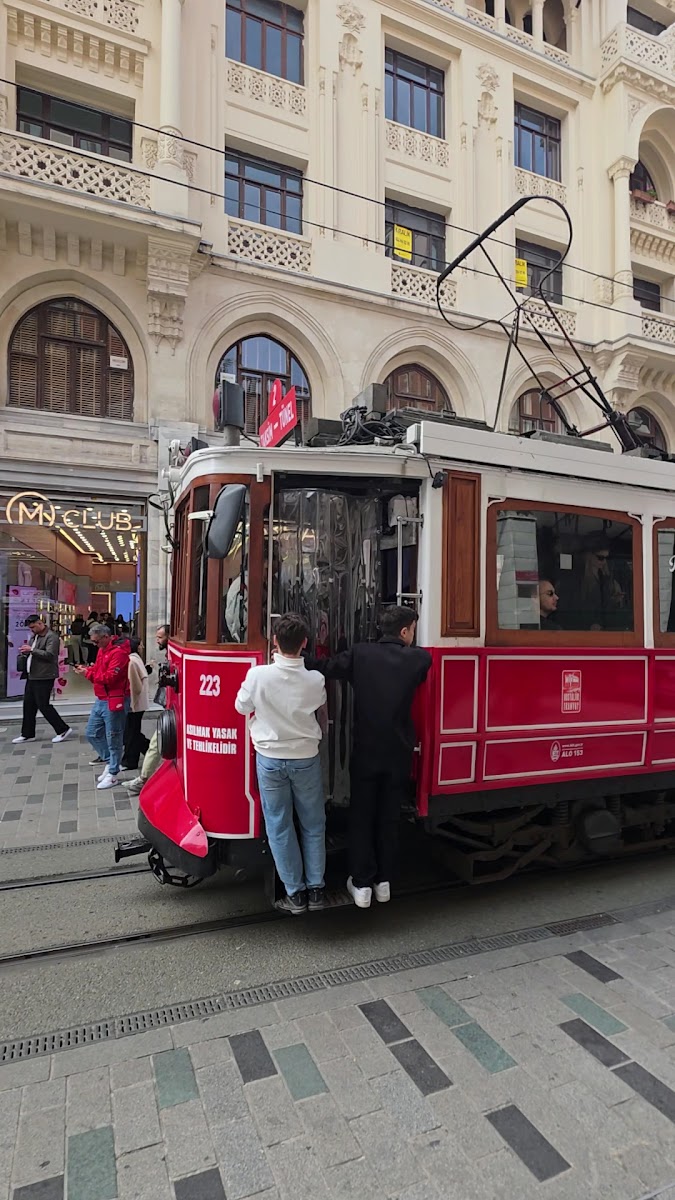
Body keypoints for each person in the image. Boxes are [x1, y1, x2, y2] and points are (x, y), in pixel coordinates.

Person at [310, 605, 431, 910]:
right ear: (405, 632)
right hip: (398, 753)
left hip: (366, 751)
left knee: (362, 815)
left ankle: (361, 884)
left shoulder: (361, 655)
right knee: (389, 817)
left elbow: (326, 667)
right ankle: (385, 881)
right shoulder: (419, 659)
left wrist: (295, 657)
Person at [235, 613, 327, 916]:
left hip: (270, 758)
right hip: (305, 758)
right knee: (313, 825)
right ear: (304, 642)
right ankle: (316, 888)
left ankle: (295, 894)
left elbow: (240, 706)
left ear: (275, 641)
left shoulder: (258, 676)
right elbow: (318, 710)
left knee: (279, 825)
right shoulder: (316, 679)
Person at [75, 622, 130, 790]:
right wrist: (89, 672)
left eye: (96, 641)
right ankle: (111, 763)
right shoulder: (102, 650)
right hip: (102, 697)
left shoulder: (119, 653)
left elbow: (110, 678)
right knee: (92, 733)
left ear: (106, 637)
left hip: (114, 698)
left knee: (113, 736)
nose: (94, 644)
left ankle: (113, 772)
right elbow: (101, 673)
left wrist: (88, 673)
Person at [12, 615, 73, 745]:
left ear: (40, 623)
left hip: (44, 676)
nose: (32, 630)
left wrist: (32, 650)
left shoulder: (51, 636)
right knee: (28, 705)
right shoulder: (35, 636)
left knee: (43, 705)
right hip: (32, 675)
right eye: (30, 628)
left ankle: (63, 729)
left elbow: (50, 655)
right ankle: (27, 734)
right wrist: (26, 652)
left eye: (33, 627)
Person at [125, 624, 169, 794]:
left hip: (170, 707)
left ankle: (144, 778)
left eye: (160, 637)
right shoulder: (167, 654)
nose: (156, 640)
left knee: (156, 741)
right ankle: (144, 777)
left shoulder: (134, 660)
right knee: (155, 741)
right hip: (169, 706)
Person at [122, 637, 150, 771]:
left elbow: (135, 686)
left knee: (131, 732)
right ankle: (149, 748)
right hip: (138, 702)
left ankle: (131, 760)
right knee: (132, 731)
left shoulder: (131, 660)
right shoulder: (135, 659)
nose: (142, 647)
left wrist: (131, 704)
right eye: (141, 645)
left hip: (135, 703)